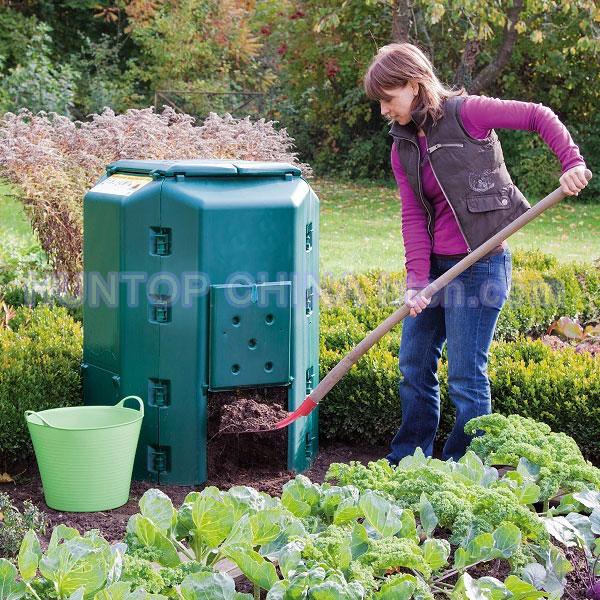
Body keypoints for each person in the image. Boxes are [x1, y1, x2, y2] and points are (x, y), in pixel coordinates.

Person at [363, 42, 589, 464]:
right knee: (413, 367)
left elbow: (537, 115)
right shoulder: (403, 146)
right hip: (433, 270)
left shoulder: (467, 113)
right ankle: (408, 460)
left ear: (414, 84)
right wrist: (417, 281)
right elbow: (413, 215)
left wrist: (571, 161)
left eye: (388, 99)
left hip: (480, 265)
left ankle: (465, 468)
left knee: (466, 377)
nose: (383, 111)